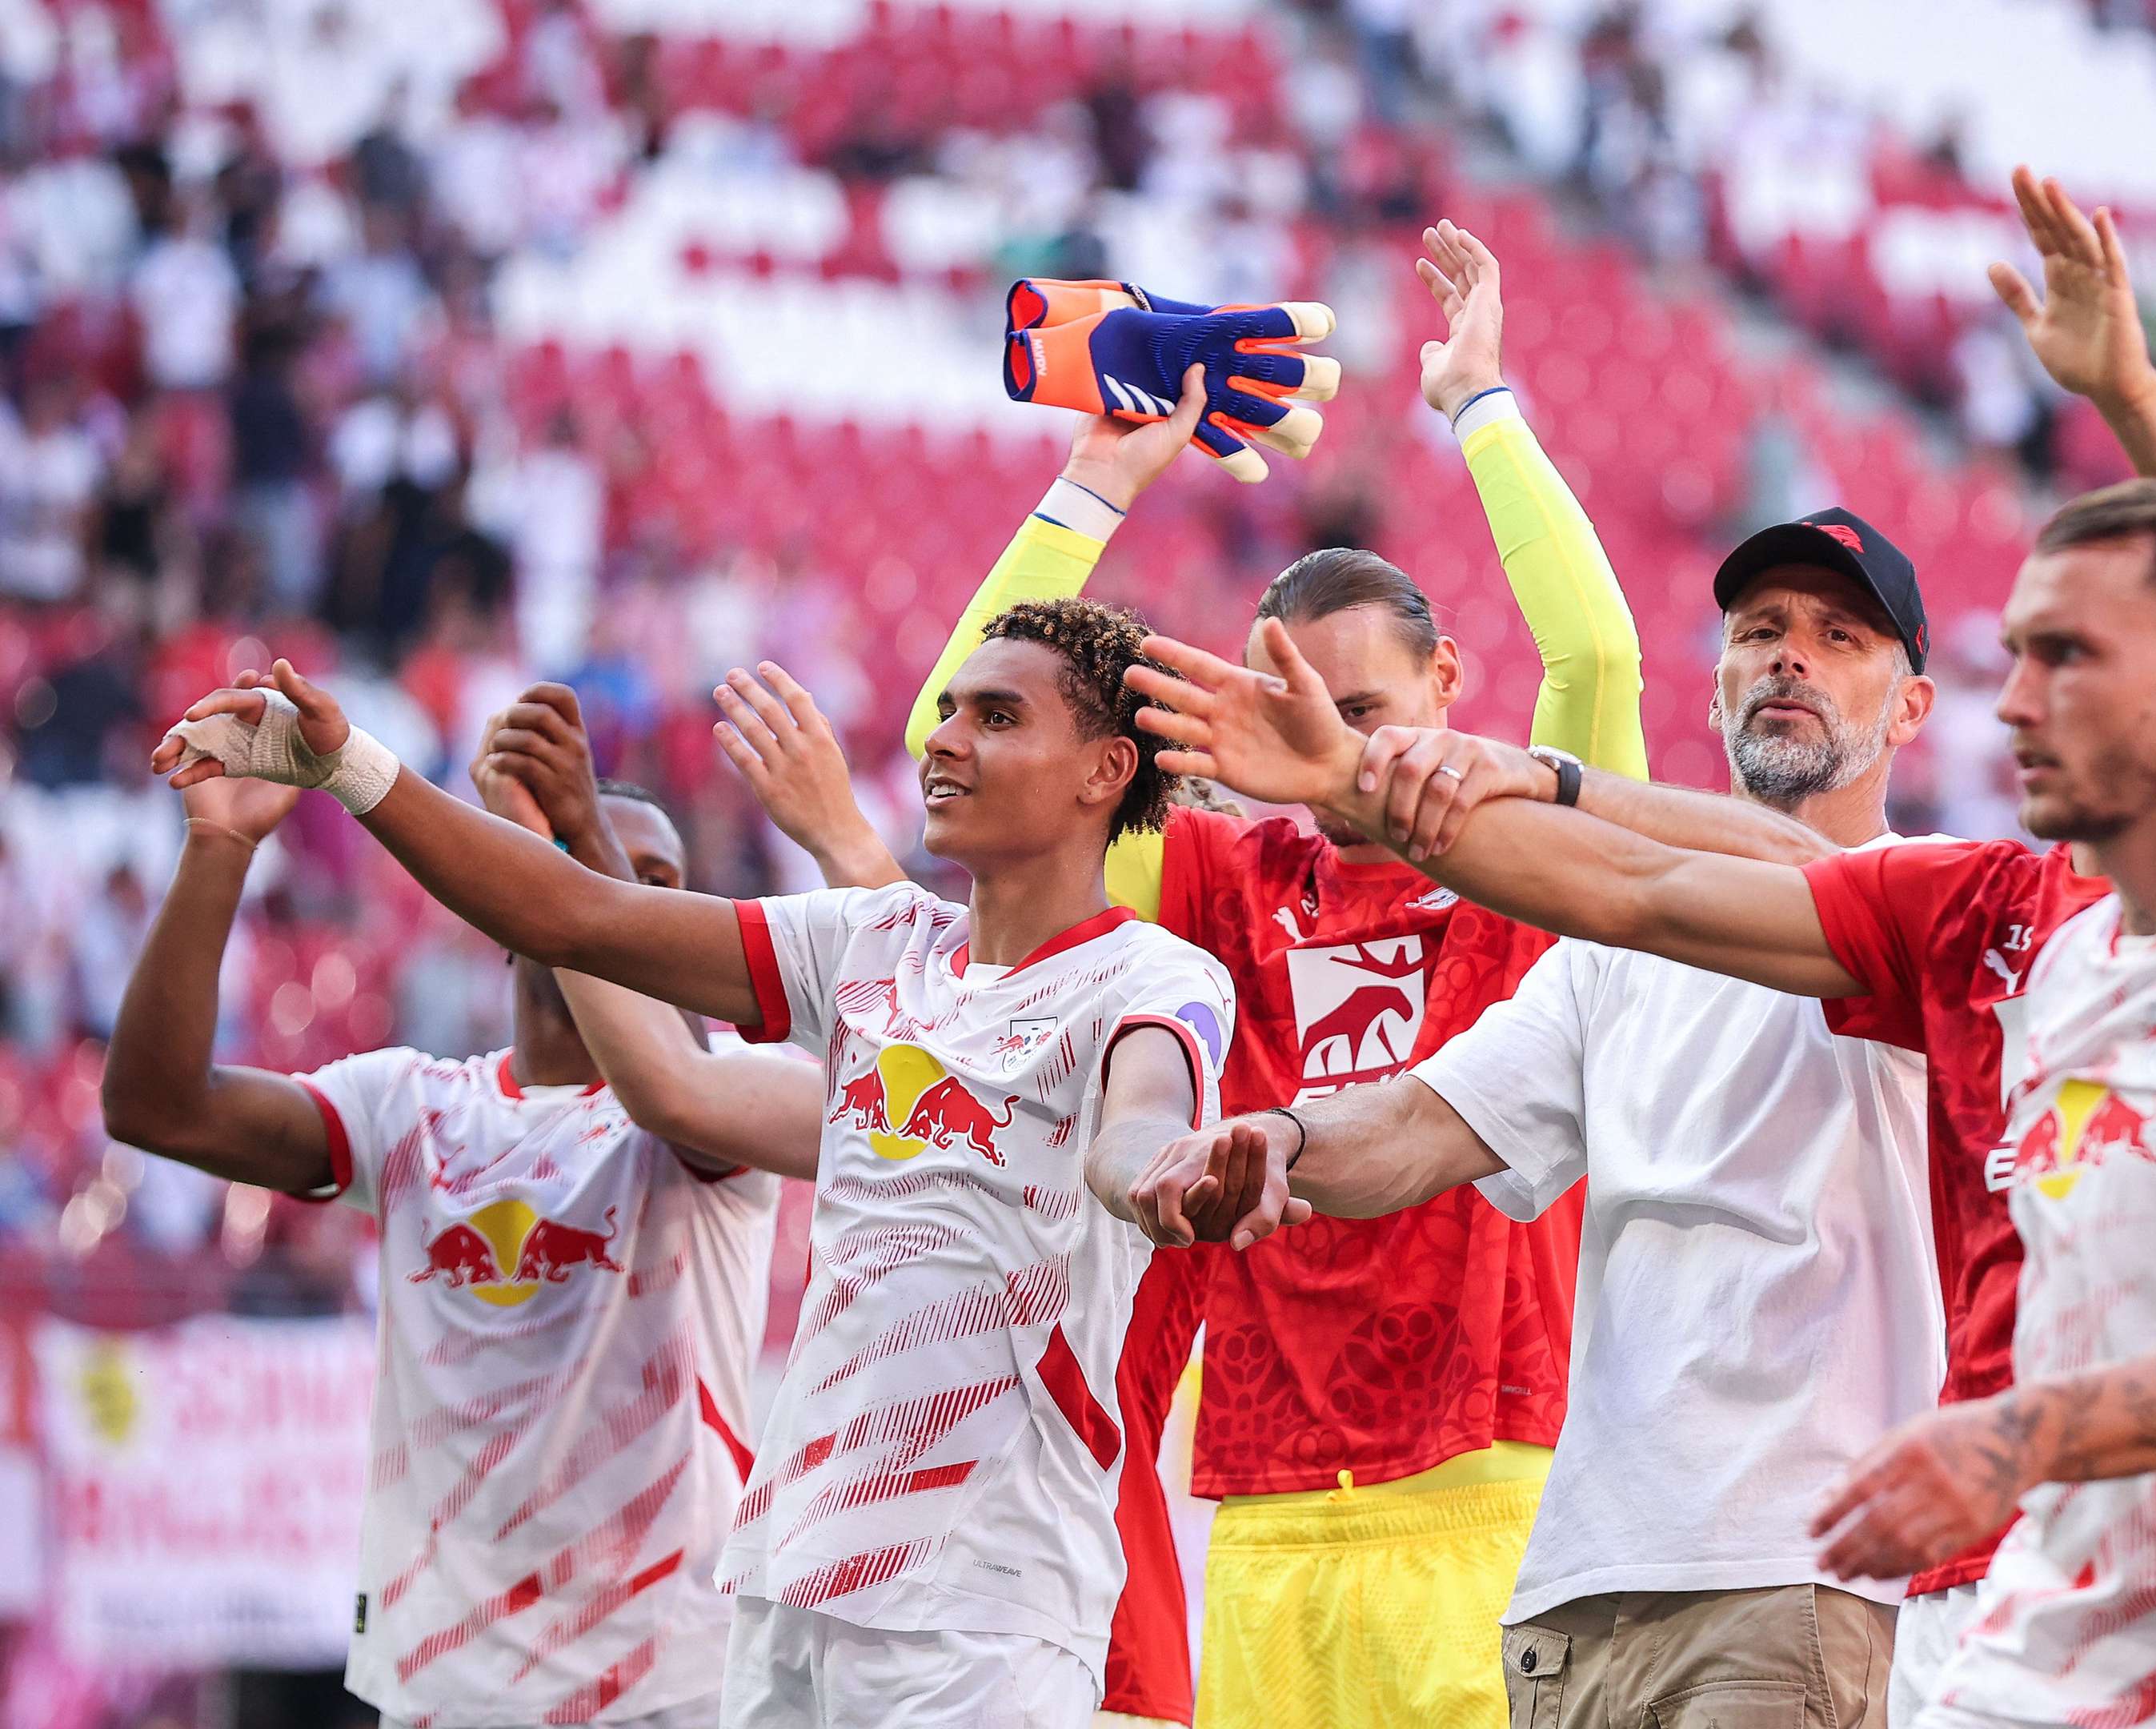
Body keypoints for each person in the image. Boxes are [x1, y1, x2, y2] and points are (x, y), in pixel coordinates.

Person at [1124, 169, 2156, 1728]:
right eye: (1762, 631)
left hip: (2041, 1607)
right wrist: (1302, 1043)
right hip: (1763, 1603)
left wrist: (2137, 399)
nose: (2018, 697)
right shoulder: (1981, 924)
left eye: (1843, 639)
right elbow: (1628, 914)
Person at [757, 221, 1647, 1729]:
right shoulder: (1221, 883)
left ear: (1448, 690)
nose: (1321, 737)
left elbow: (1603, 670)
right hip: (1260, 1509)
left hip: (1497, 1487)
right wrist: (1101, 478)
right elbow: (960, 739)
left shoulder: (1522, 868)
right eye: (1280, 699)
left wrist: (1482, 408)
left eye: (1357, 703)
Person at [148, 577, 1243, 1727]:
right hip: (789, 1582)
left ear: (1106, 771)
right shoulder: (871, 942)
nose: (948, 739)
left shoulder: (1155, 978)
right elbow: (575, 918)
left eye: (999, 718)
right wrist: (352, 769)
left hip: (985, 1605)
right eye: (952, 710)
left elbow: (1141, 1120)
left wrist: (1154, 1168)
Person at [1111, 506, 1942, 1728]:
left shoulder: (1952, 907)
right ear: (1713, 691)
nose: (1790, 657)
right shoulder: (1608, 966)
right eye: (1760, 631)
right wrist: (1284, 1143)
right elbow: (1419, 1130)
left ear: (1913, 708)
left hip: (1796, 1571)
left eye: (1841, 636)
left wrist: (1522, 780)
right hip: (1579, 1592)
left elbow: (1775, 889)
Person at [101, 741, 781, 1729]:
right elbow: (158, 1108)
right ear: (504, 904)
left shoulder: (738, 1099)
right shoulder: (410, 1108)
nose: (624, 899)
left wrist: (576, 837)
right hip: (442, 1691)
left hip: (667, 1690)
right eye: (571, 863)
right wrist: (217, 846)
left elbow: (675, 1082)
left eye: (661, 888)